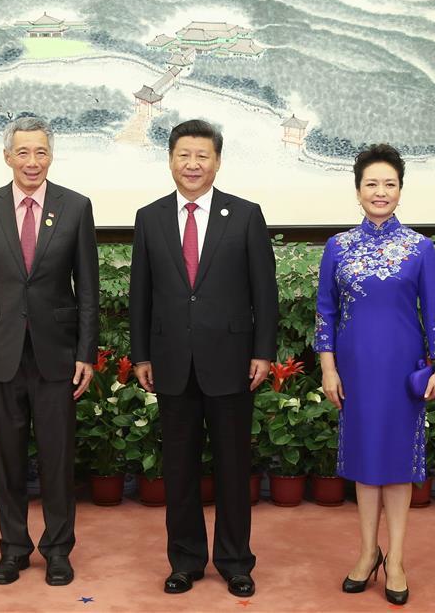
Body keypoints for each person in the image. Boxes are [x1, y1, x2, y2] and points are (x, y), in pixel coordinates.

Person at [129, 119, 278, 598]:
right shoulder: (149, 217)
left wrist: (263, 352)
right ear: (170, 159)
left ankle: (236, 561)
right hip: (172, 360)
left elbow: (265, 293)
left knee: (234, 469)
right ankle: (186, 561)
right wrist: (141, 355)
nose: (192, 164)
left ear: (217, 161)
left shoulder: (246, 215)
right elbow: (141, 296)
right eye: (184, 155)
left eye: (203, 156)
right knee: (179, 469)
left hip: (233, 361)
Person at [0, 116, 98, 587]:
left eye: (40, 152)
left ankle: (58, 550)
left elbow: (88, 288)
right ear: (7, 157)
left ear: (51, 155)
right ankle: (13, 549)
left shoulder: (76, 207)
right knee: (6, 458)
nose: (32, 161)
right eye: (23, 152)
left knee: (59, 460)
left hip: (57, 355)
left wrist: (86, 353)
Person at [314, 143, 435, 606]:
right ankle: (366, 551)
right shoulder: (338, 247)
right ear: (357, 191)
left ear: (400, 191)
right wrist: (328, 367)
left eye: (389, 184)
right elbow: (325, 314)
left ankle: (396, 559)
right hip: (354, 371)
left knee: (396, 467)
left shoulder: (419, 248)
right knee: (364, 465)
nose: (380, 191)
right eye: (371, 183)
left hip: (402, 372)